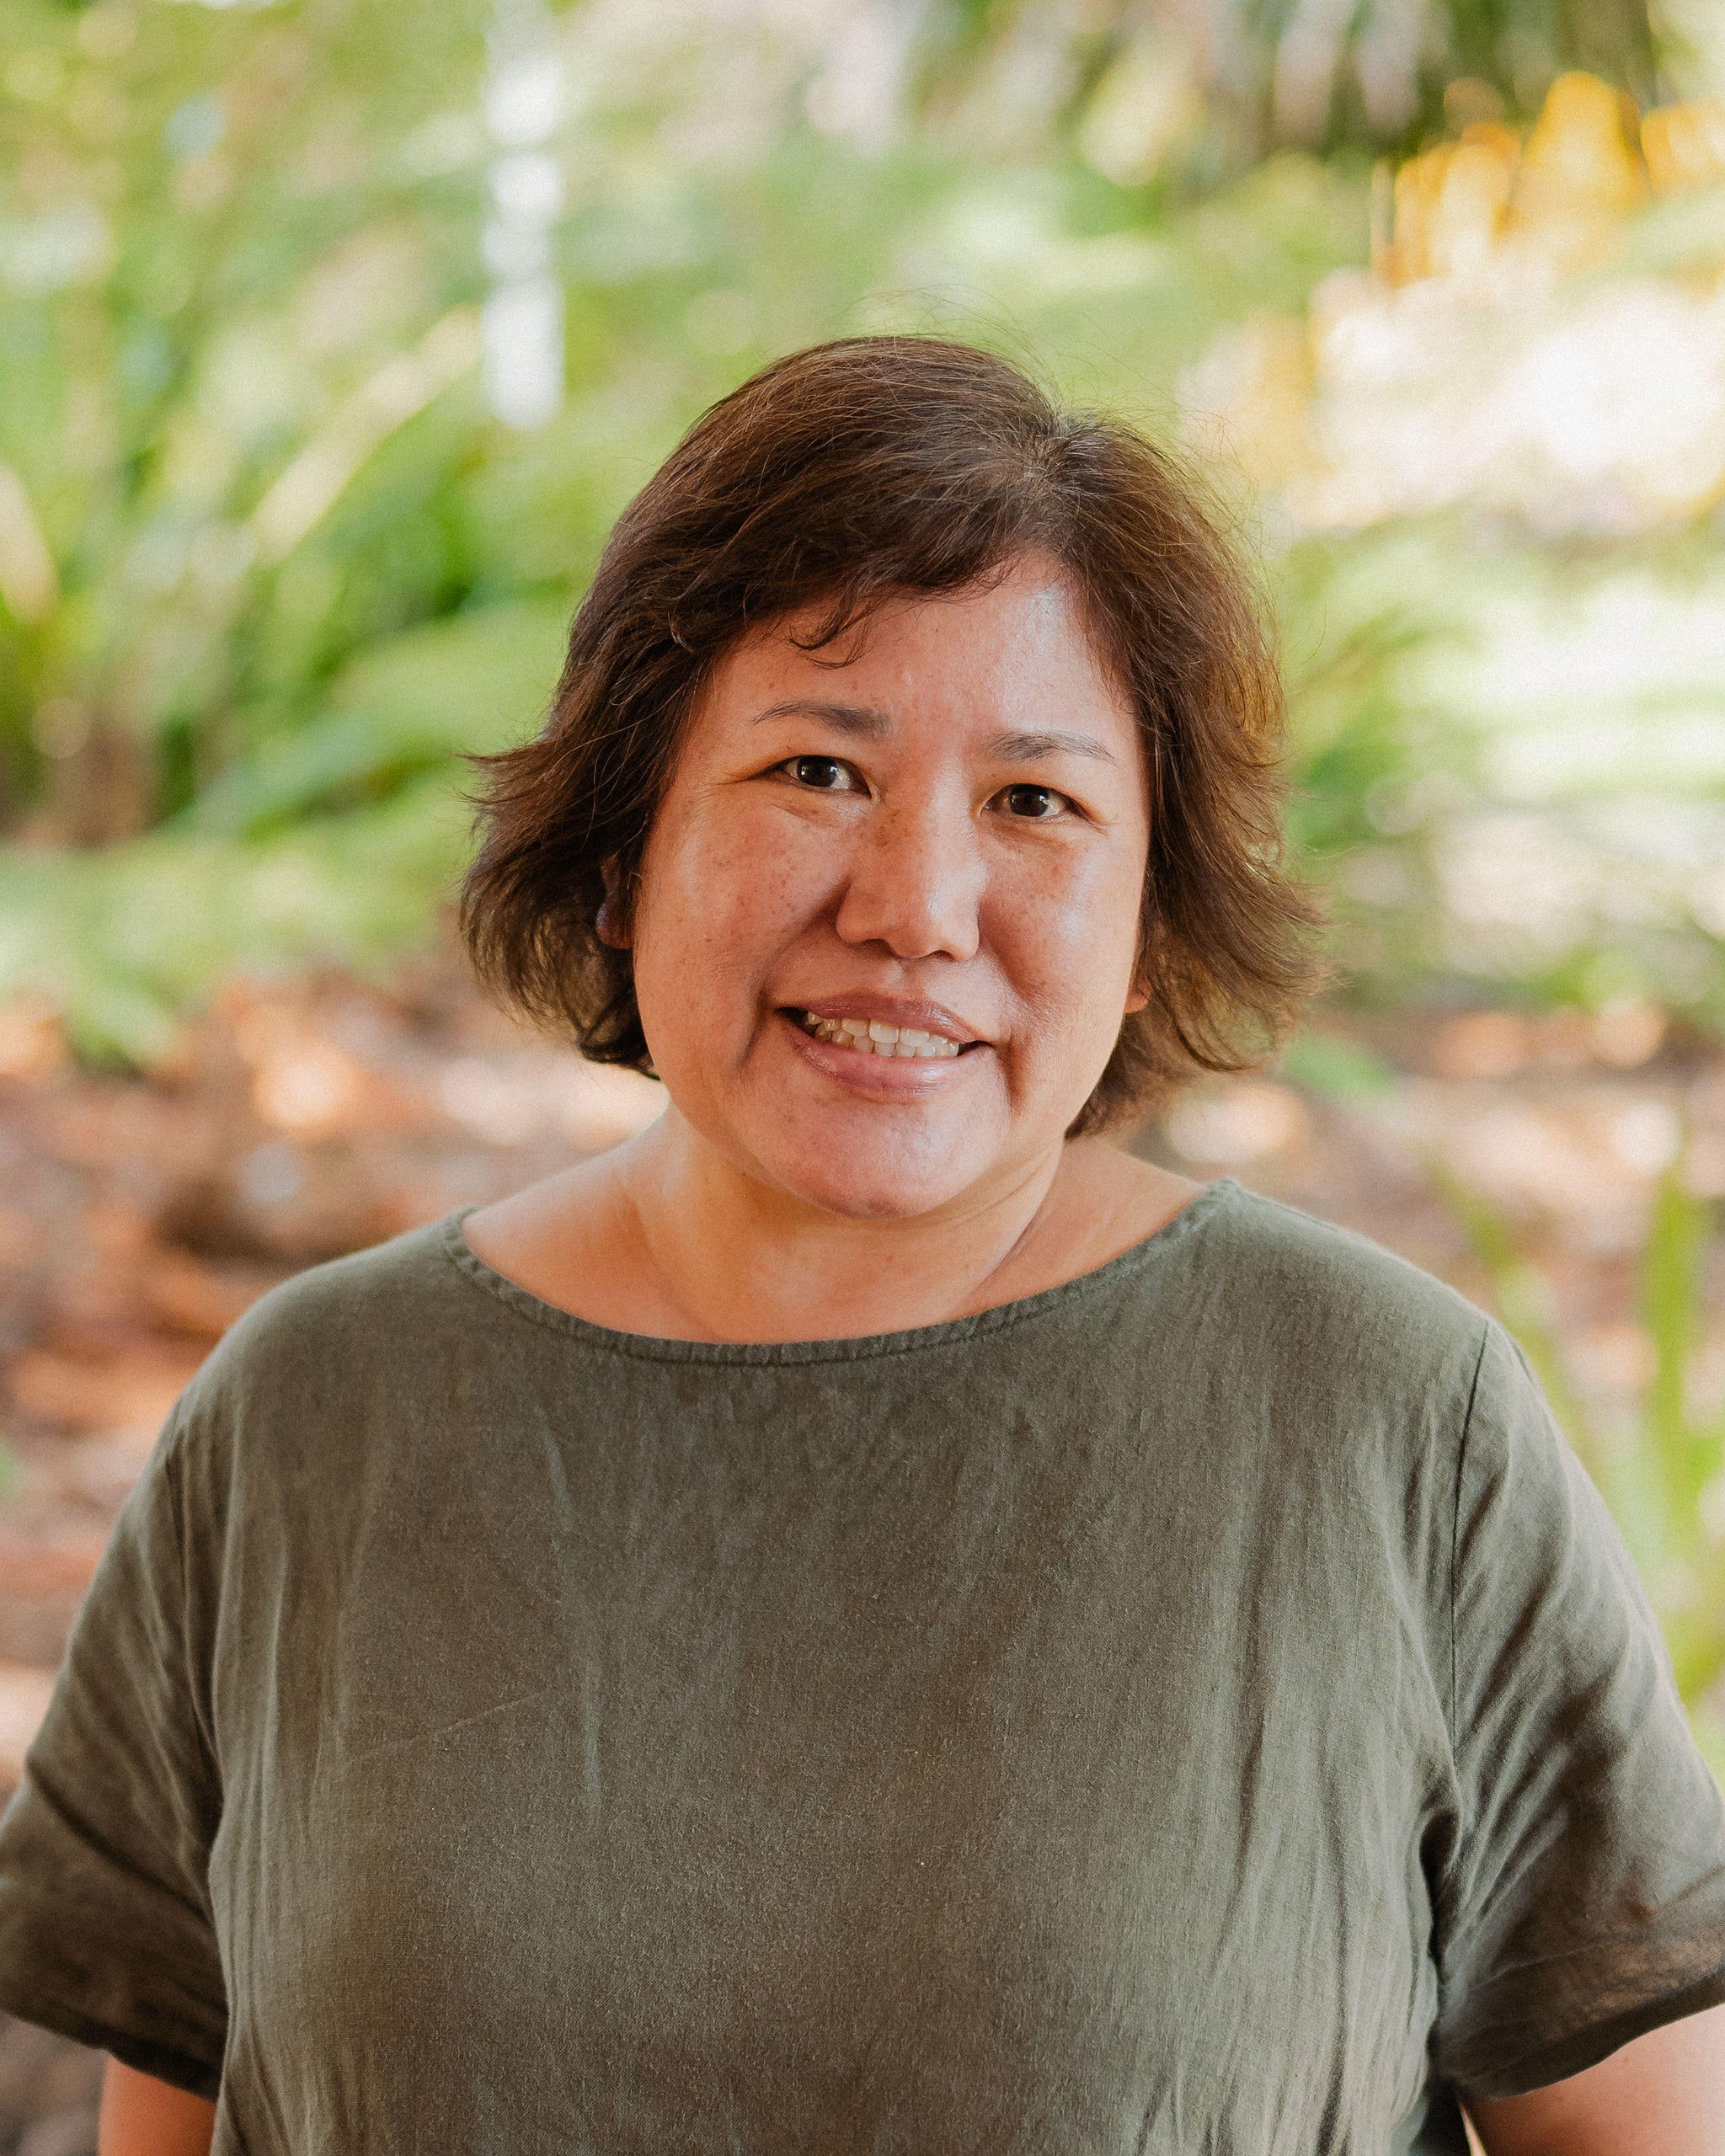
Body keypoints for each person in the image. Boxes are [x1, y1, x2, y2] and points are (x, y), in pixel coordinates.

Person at [0, 337, 1721, 2156]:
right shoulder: (311, 1417)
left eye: (1035, 803)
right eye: (818, 770)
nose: (915, 909)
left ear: (1150, 922)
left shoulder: (1389, 1418)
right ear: (621, 851)